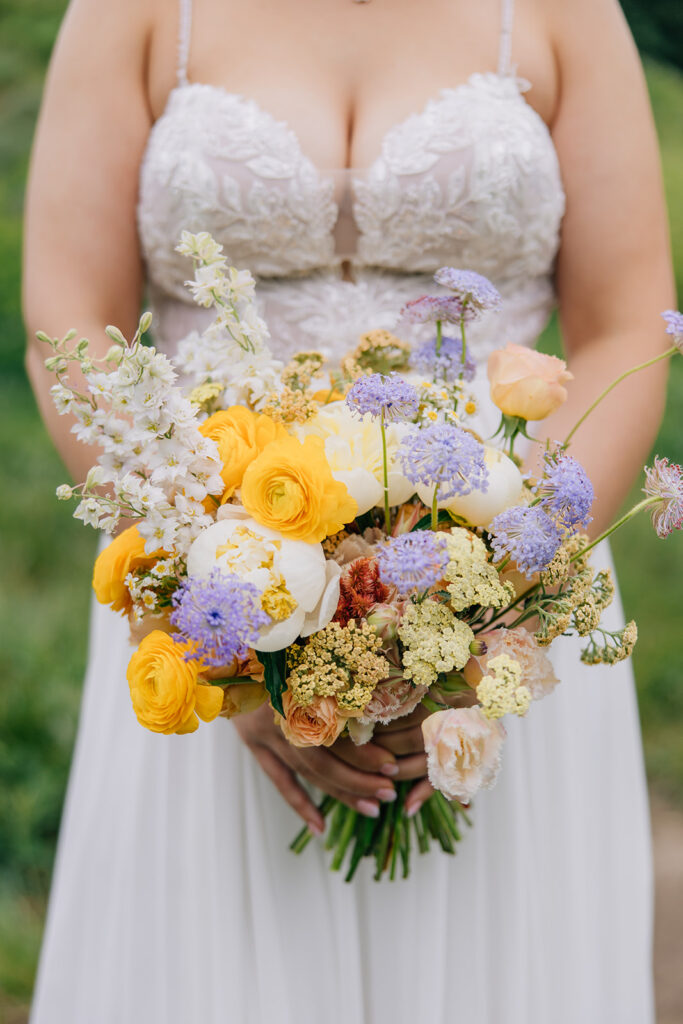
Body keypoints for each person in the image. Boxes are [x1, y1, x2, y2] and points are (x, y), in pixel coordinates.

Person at [23, 0, 674, 1021]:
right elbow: (69, 320)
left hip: (508, 592)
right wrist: (221, 622)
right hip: (215, 572)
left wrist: (494, 593)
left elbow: (624, 320)